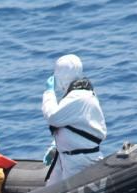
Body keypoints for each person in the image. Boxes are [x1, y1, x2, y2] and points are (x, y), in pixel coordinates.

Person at [41, 54, 107, 185]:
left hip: (79, 161)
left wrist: (49, 93)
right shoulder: (76, 95)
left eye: (57, 72)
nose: (55, 76)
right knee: (50, 189)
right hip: (66, 157)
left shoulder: (79, 97)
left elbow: (53, 117)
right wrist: (55, 146)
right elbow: (74, 125)